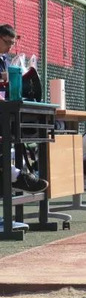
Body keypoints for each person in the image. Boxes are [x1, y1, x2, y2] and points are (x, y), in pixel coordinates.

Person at [0, 23, 48, 194]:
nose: (10, 47)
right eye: (7, 42)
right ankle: (16, 177)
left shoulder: (4, 59)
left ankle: (14, 176)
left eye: (12, 43)